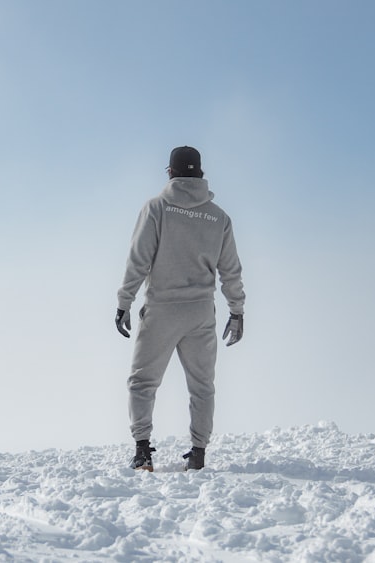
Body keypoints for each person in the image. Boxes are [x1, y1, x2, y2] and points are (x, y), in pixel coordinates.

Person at [115, 146, 245, 472]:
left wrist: (124, 302)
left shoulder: (157, 208)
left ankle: (143, 452)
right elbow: (231, 270)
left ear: (170, 173)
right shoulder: (219, 217)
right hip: (201, 313)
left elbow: (138, 260)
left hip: (161, 310)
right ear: (200, 173)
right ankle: (198, 454)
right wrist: (237, 311)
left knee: (143, 383)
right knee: (202, 387)